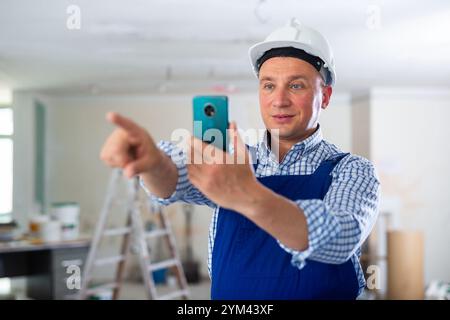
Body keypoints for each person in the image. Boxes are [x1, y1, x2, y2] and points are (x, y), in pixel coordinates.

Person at [100, 19, 380, 300]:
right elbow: (174, 179)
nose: (279, 100)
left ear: (326, 96)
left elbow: (338, 236)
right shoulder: (233, 160)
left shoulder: (351, 170)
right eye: (268, 86)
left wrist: (246, 194)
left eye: (296, 86)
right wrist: (152, 163)